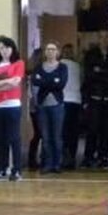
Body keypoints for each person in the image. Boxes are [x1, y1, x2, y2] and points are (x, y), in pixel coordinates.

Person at [0, 37, 25, 180]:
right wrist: (7, 81)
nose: (4, 51)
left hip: (12, 105)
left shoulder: (18, 63)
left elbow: (15, 83)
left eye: (7, 47)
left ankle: (16, 169)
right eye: (1, 48)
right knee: (0, 138)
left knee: (14, 137)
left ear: (12, 48)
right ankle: (2, 168)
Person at [32, 42, 67, 175]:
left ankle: (57, 164)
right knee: (45, 137)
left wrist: (44, 80)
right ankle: (47, 164)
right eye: (48, 49)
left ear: (57, 52)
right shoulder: (39, 67)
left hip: (57, 105)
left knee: (56, 136)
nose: (50, 51)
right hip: (42, 106)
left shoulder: (62, 67)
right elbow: (35, 81)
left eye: (53, 49)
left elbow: (61, 84)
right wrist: (53, 80)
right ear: (45, 52)